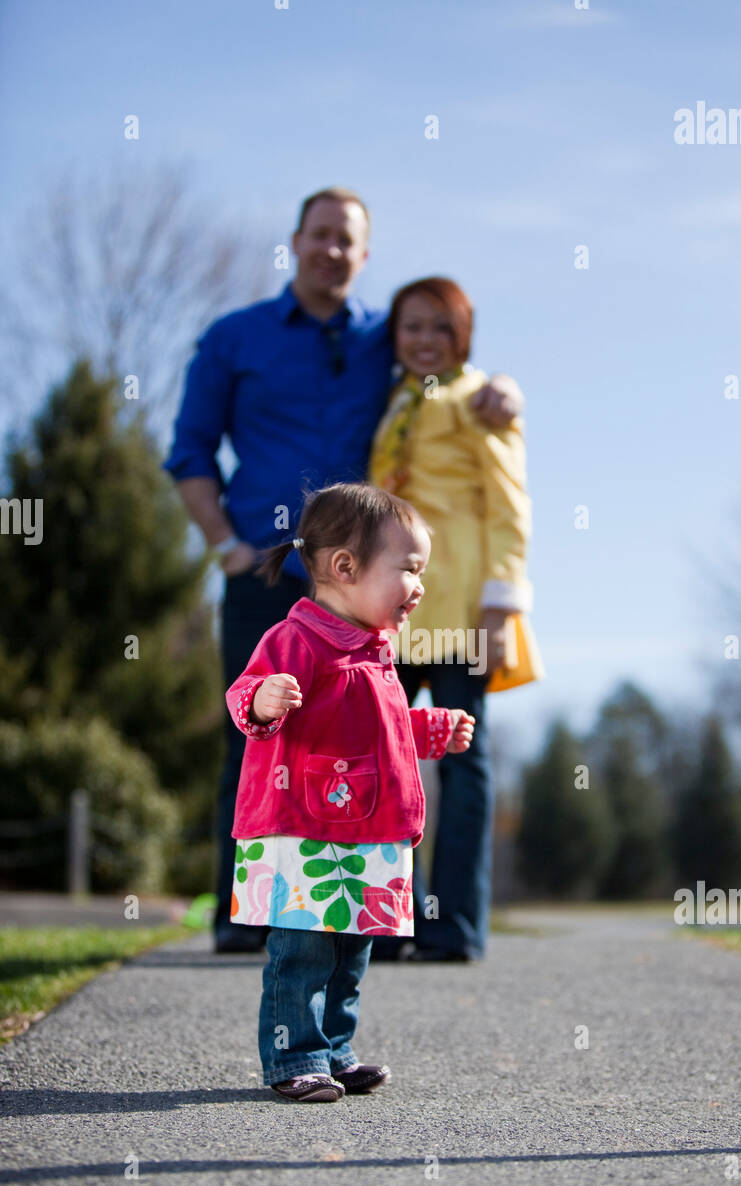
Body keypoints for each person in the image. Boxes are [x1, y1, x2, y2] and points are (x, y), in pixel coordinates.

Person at [163, 186, 523, 953]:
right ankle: (247, 913)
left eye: (347, 241)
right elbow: (190, 452)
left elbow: (446, 380)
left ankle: (358, 912)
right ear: (295, 240)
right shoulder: (235, 338)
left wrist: (505, 389)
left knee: (364, 740)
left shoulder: (382, 339)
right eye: (319, 235)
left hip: (361, 588)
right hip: (265, 572)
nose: (332, 250)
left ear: (363, 256)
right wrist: (224, 543)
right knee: (257, 730)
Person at [225, 483, 474, 1101]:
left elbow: (379, 732)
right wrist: (262, 698)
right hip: (303, 827)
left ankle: (334, 1050)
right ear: (345, 568)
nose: (418, 586)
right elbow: (243, 698)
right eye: (408, 570)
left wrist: (431, 729)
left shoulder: (377, 653)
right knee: (305, 948)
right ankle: (293, 1058)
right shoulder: (296, 641)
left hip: (364, 829)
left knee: (350, 954)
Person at [368, 277, 544, 963]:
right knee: (383, 752)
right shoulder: (396, 403)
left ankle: (456, 925)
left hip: (462, 606)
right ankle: (388, 917)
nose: (423, 340)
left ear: (462, 336)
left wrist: (502, 605)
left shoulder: (481, 402)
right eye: (411, 326)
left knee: (462, 759)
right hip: (395, 609)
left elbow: (509, 505)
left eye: (439, 328)